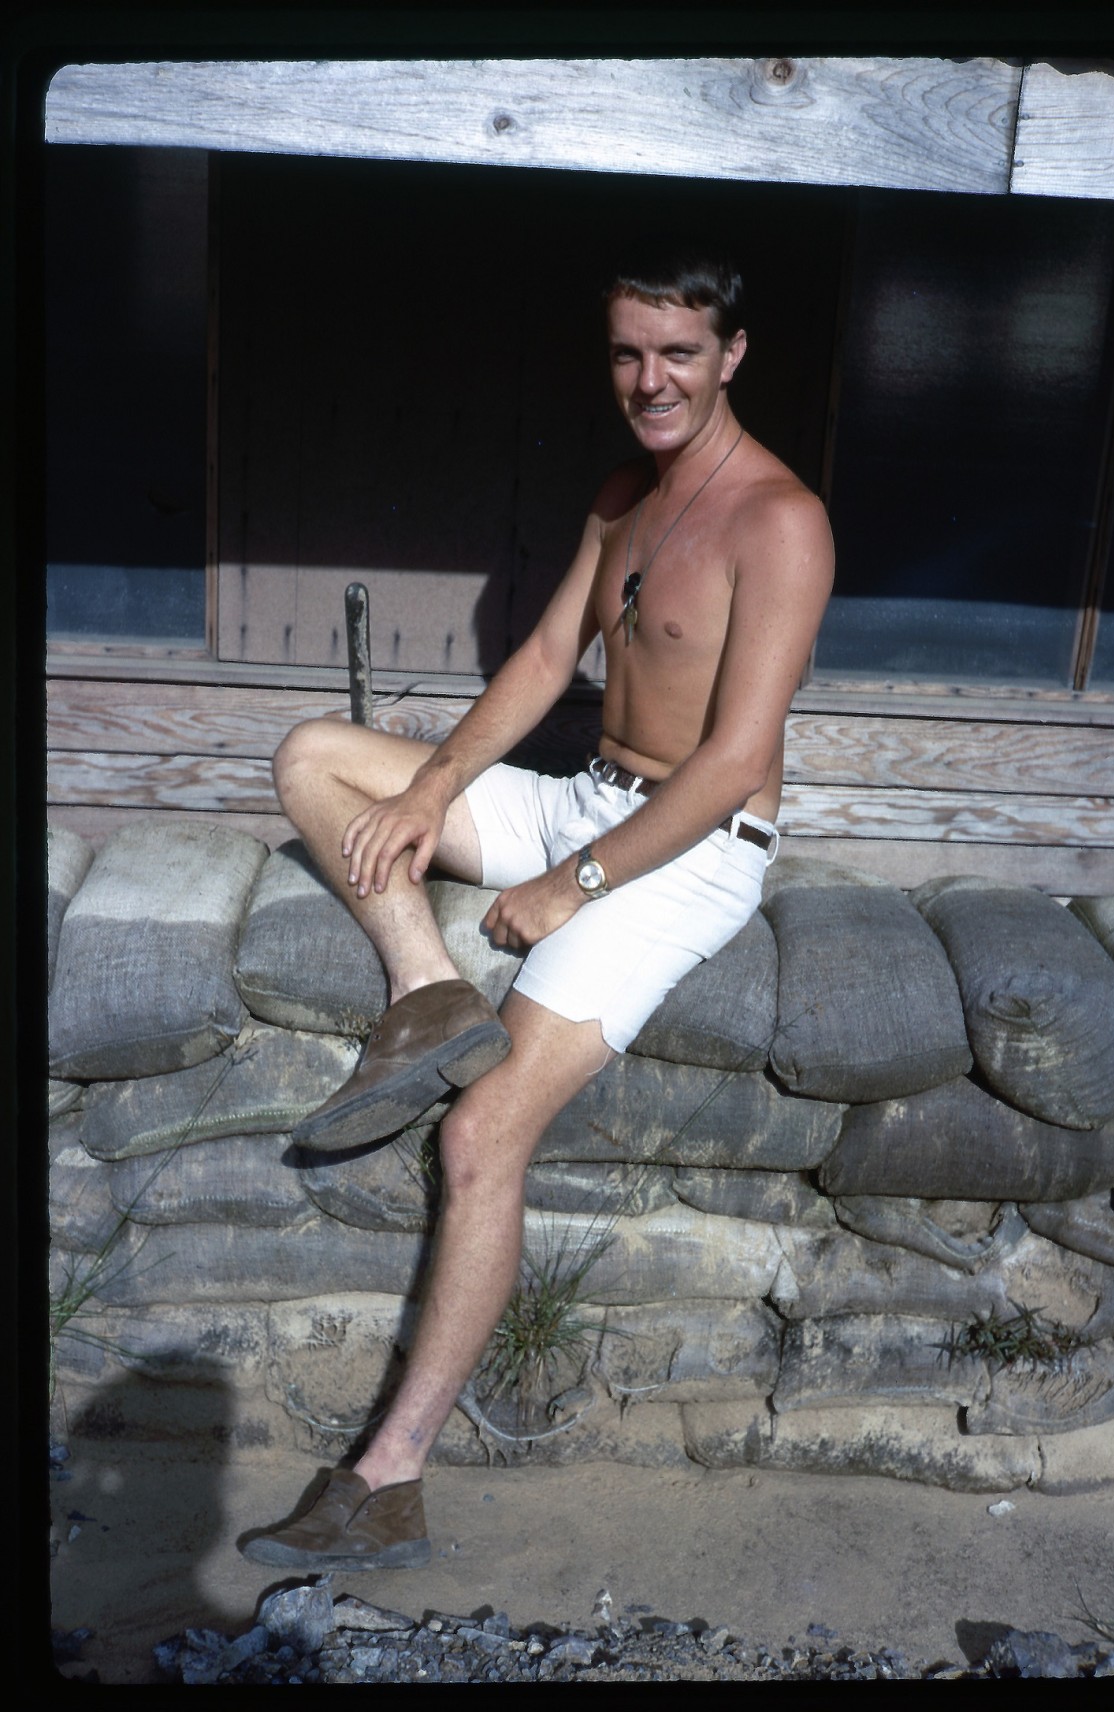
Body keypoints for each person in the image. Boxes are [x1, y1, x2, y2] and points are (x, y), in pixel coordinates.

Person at [239, 252, 834, 1572]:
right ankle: (423, 994)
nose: (649, 380)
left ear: (730, 354)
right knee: (314, 760)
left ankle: (389, 1476)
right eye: (628, 353)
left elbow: (737, 758)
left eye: (678, 352)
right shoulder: (626, 495)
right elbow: (544, 655)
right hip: (578, 798)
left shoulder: (778, 520)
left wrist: (578, 882)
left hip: (683, 849)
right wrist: (438, 787)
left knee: (481, 1134)